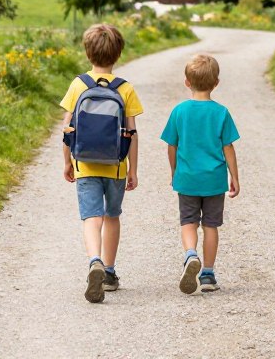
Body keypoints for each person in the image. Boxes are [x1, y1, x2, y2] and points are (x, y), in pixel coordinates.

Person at [61, 24, 142, 303]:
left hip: (85, 164)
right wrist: (133, 169)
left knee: (91, 217)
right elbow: (131, 134)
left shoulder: (78, 84)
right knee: (112, 216)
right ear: (118, 54)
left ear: (87, 52)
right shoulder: (125, 88)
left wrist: (67, 163)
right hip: (116, 166)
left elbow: (67, 130)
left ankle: (93, 259)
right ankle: (108, 271)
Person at [161, 53, 240, 294]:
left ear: (187, 82)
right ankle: (207, 274)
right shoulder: (221, 112)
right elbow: (228, 147)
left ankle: (190, 254)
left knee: (188, 222)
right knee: (211, 226)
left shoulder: (179, 111)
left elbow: (171, 146)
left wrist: (174, 171)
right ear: (216, 83)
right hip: (214, 181)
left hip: (187, 178)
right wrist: (234, 176)